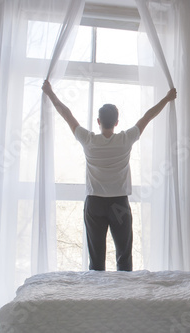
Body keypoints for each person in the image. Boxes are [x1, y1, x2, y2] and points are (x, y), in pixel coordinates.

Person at [42, 80, 177, 271]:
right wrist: (167, 98)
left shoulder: (88, 140)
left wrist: (50, 93)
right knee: (124, 257)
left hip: (95, 203)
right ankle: (123, 298)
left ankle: (99, 299)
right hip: (119, 204)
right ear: (116, 122)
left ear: (98, 121)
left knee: (96, 260)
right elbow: (148, 116)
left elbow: (67, 115)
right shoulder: (125, 139)